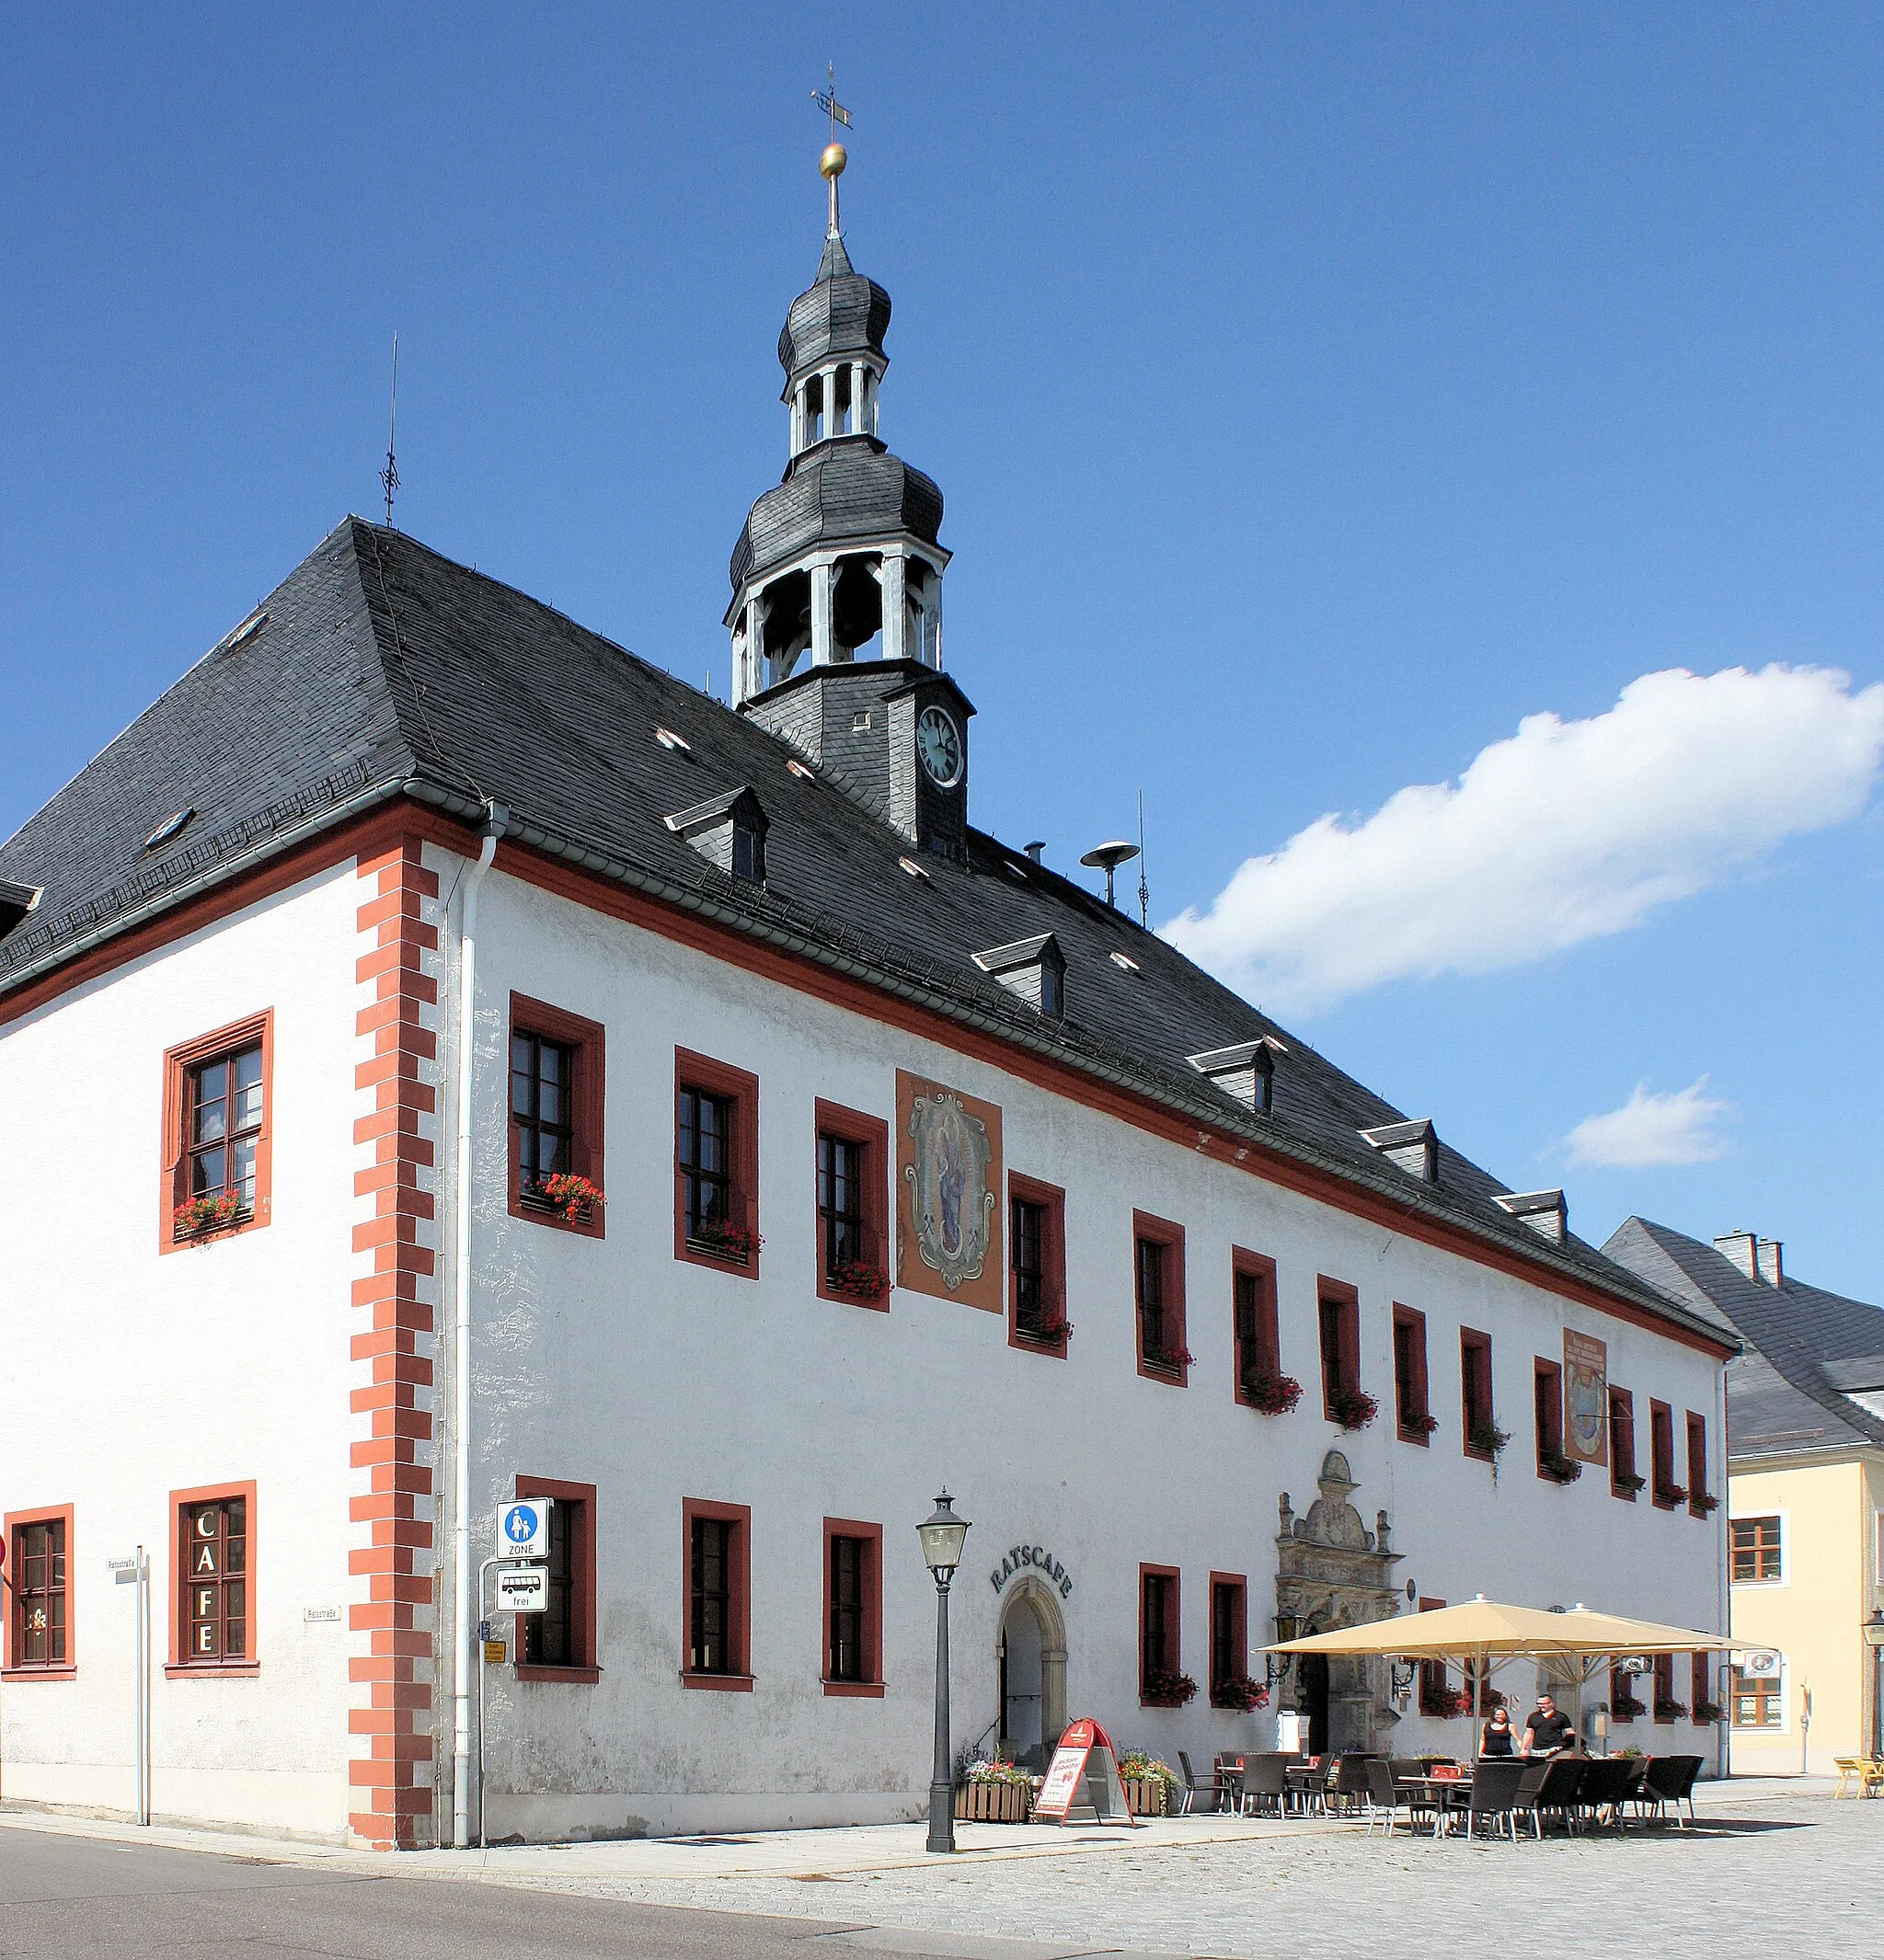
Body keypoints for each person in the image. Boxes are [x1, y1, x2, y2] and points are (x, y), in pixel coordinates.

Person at [1521, 1691, 1576, 1757]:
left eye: (1542, 1704)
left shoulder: (1561, 1716)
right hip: (1537, 1750)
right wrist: (1524, 1748)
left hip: (1554, 1748)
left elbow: (1570, 1733)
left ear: (1551, 1704)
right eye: (1538, 1704)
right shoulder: (1533, 1716)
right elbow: (1529, 1733)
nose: (1540, 1706)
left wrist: (1566, 1746)